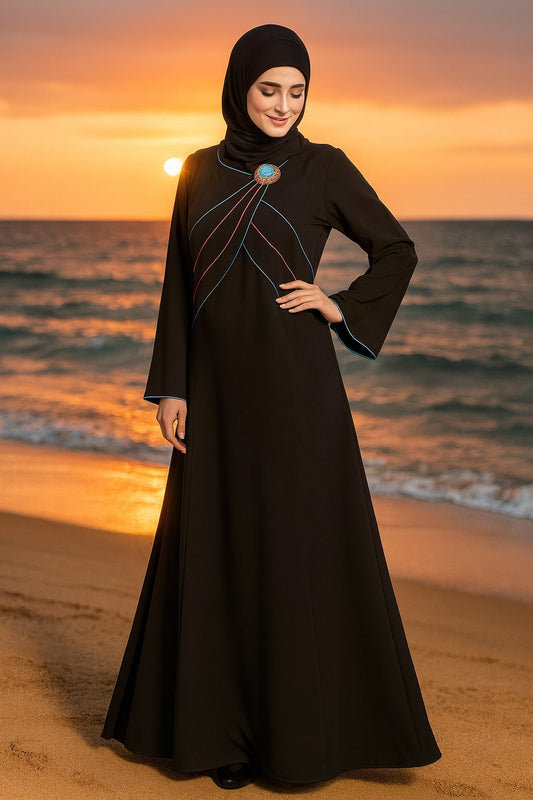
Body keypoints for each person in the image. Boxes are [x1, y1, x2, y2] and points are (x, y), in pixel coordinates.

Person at [102, 23, 441, 790]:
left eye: (296, 92)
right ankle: (221, 736)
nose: (283, 105)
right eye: (268, 90)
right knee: (217, 550)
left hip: (296, 393)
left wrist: (338, 303)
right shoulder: (197, 170)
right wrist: (173, 385)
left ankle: (294, 741)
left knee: (291, 554)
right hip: (216, 397)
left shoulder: (324, 167)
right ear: (239, 88)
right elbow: (179, 283)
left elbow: (396, 248)